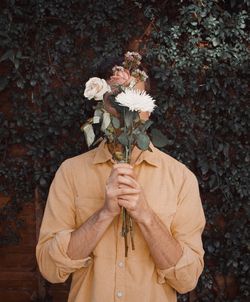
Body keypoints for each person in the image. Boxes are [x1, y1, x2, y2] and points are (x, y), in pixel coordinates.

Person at [36, 56, 206, 302]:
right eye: (116, 97)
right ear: (102, 104)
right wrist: (104, 213)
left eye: (135, 97)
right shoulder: (70, 173)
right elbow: (50, 270)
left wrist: (146, 216)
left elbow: (187, 279)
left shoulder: (181, 178)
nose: (128, 109)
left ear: (148, 108)